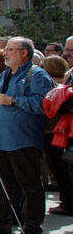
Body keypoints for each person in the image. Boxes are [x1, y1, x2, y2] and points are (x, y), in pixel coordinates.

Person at [0, 37, 52, 234]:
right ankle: (1, 222)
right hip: (0, 139)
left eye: (10, 49)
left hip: (23, 139)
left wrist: (14, 101)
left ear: (24, 53)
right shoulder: (4, 75)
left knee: (29, 184)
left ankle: (32, 226)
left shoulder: (36, 75)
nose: (5, 53)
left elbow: (42, 103)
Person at [40, 55, 73, 217]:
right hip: (60, 130)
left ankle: (68, 202)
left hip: (56, 131)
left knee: (59, 167)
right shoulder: (64, 83)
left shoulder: (54, 86)